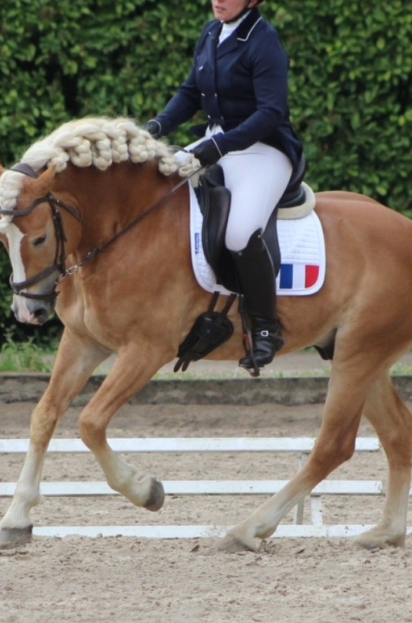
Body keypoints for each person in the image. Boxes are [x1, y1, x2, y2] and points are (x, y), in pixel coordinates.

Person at [146, 0, 304, 371]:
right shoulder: (212, 32)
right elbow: (190, 92)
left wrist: (217, 146)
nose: (218, 0)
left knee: (239, 233)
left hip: (262, 151)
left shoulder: (263, 40)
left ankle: (265, 327)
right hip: (215, 143)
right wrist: (156, 127)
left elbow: (271, 112)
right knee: (156, 193)